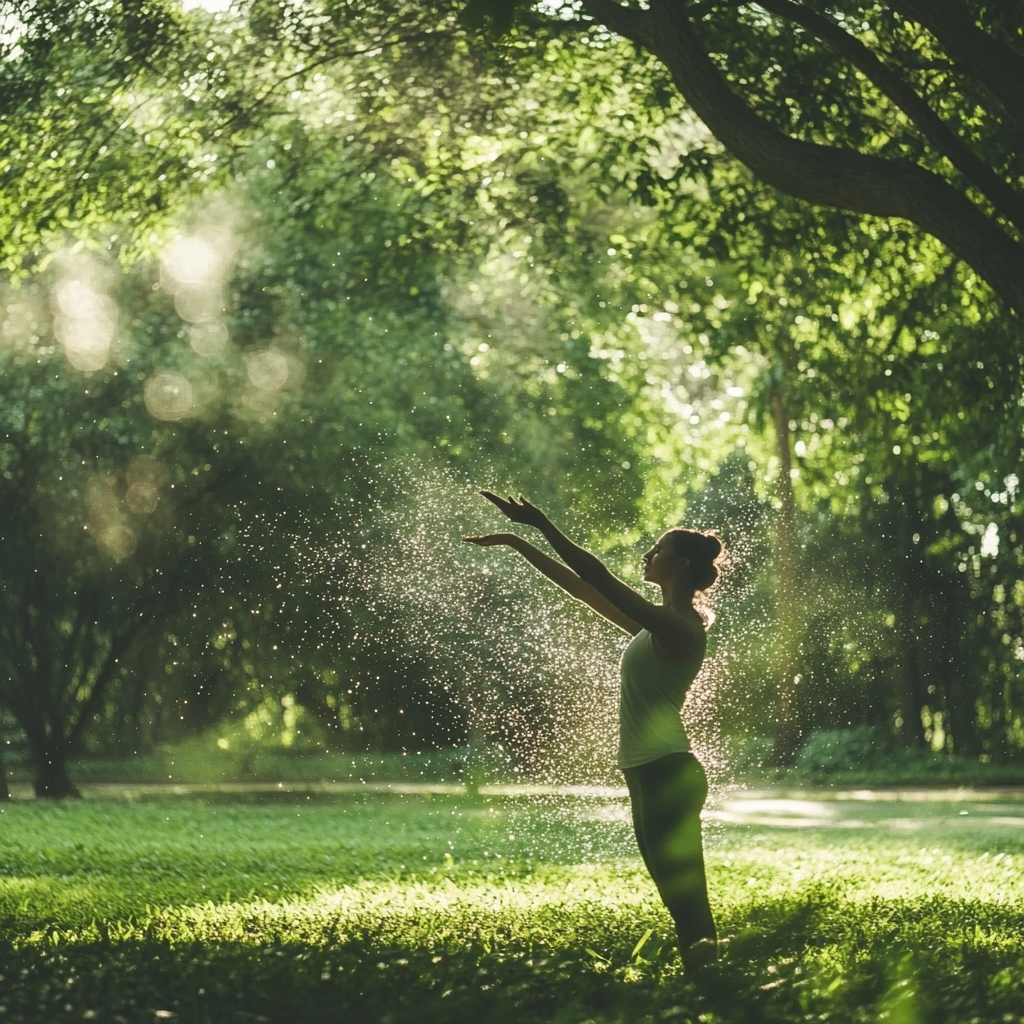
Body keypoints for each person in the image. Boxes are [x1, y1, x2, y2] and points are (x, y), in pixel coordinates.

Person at [463, 491, 721, 971]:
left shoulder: (679, 629)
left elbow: (597, 575)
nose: (649, 554)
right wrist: (520, 545)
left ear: (681, 563)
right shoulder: (654, 625)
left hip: (669, 771)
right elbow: (585, 589)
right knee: (673, 893)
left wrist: (542, 521)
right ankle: (703, 979)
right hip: (646, 771)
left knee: (686, 894)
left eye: (658, 549)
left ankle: (713, 985)